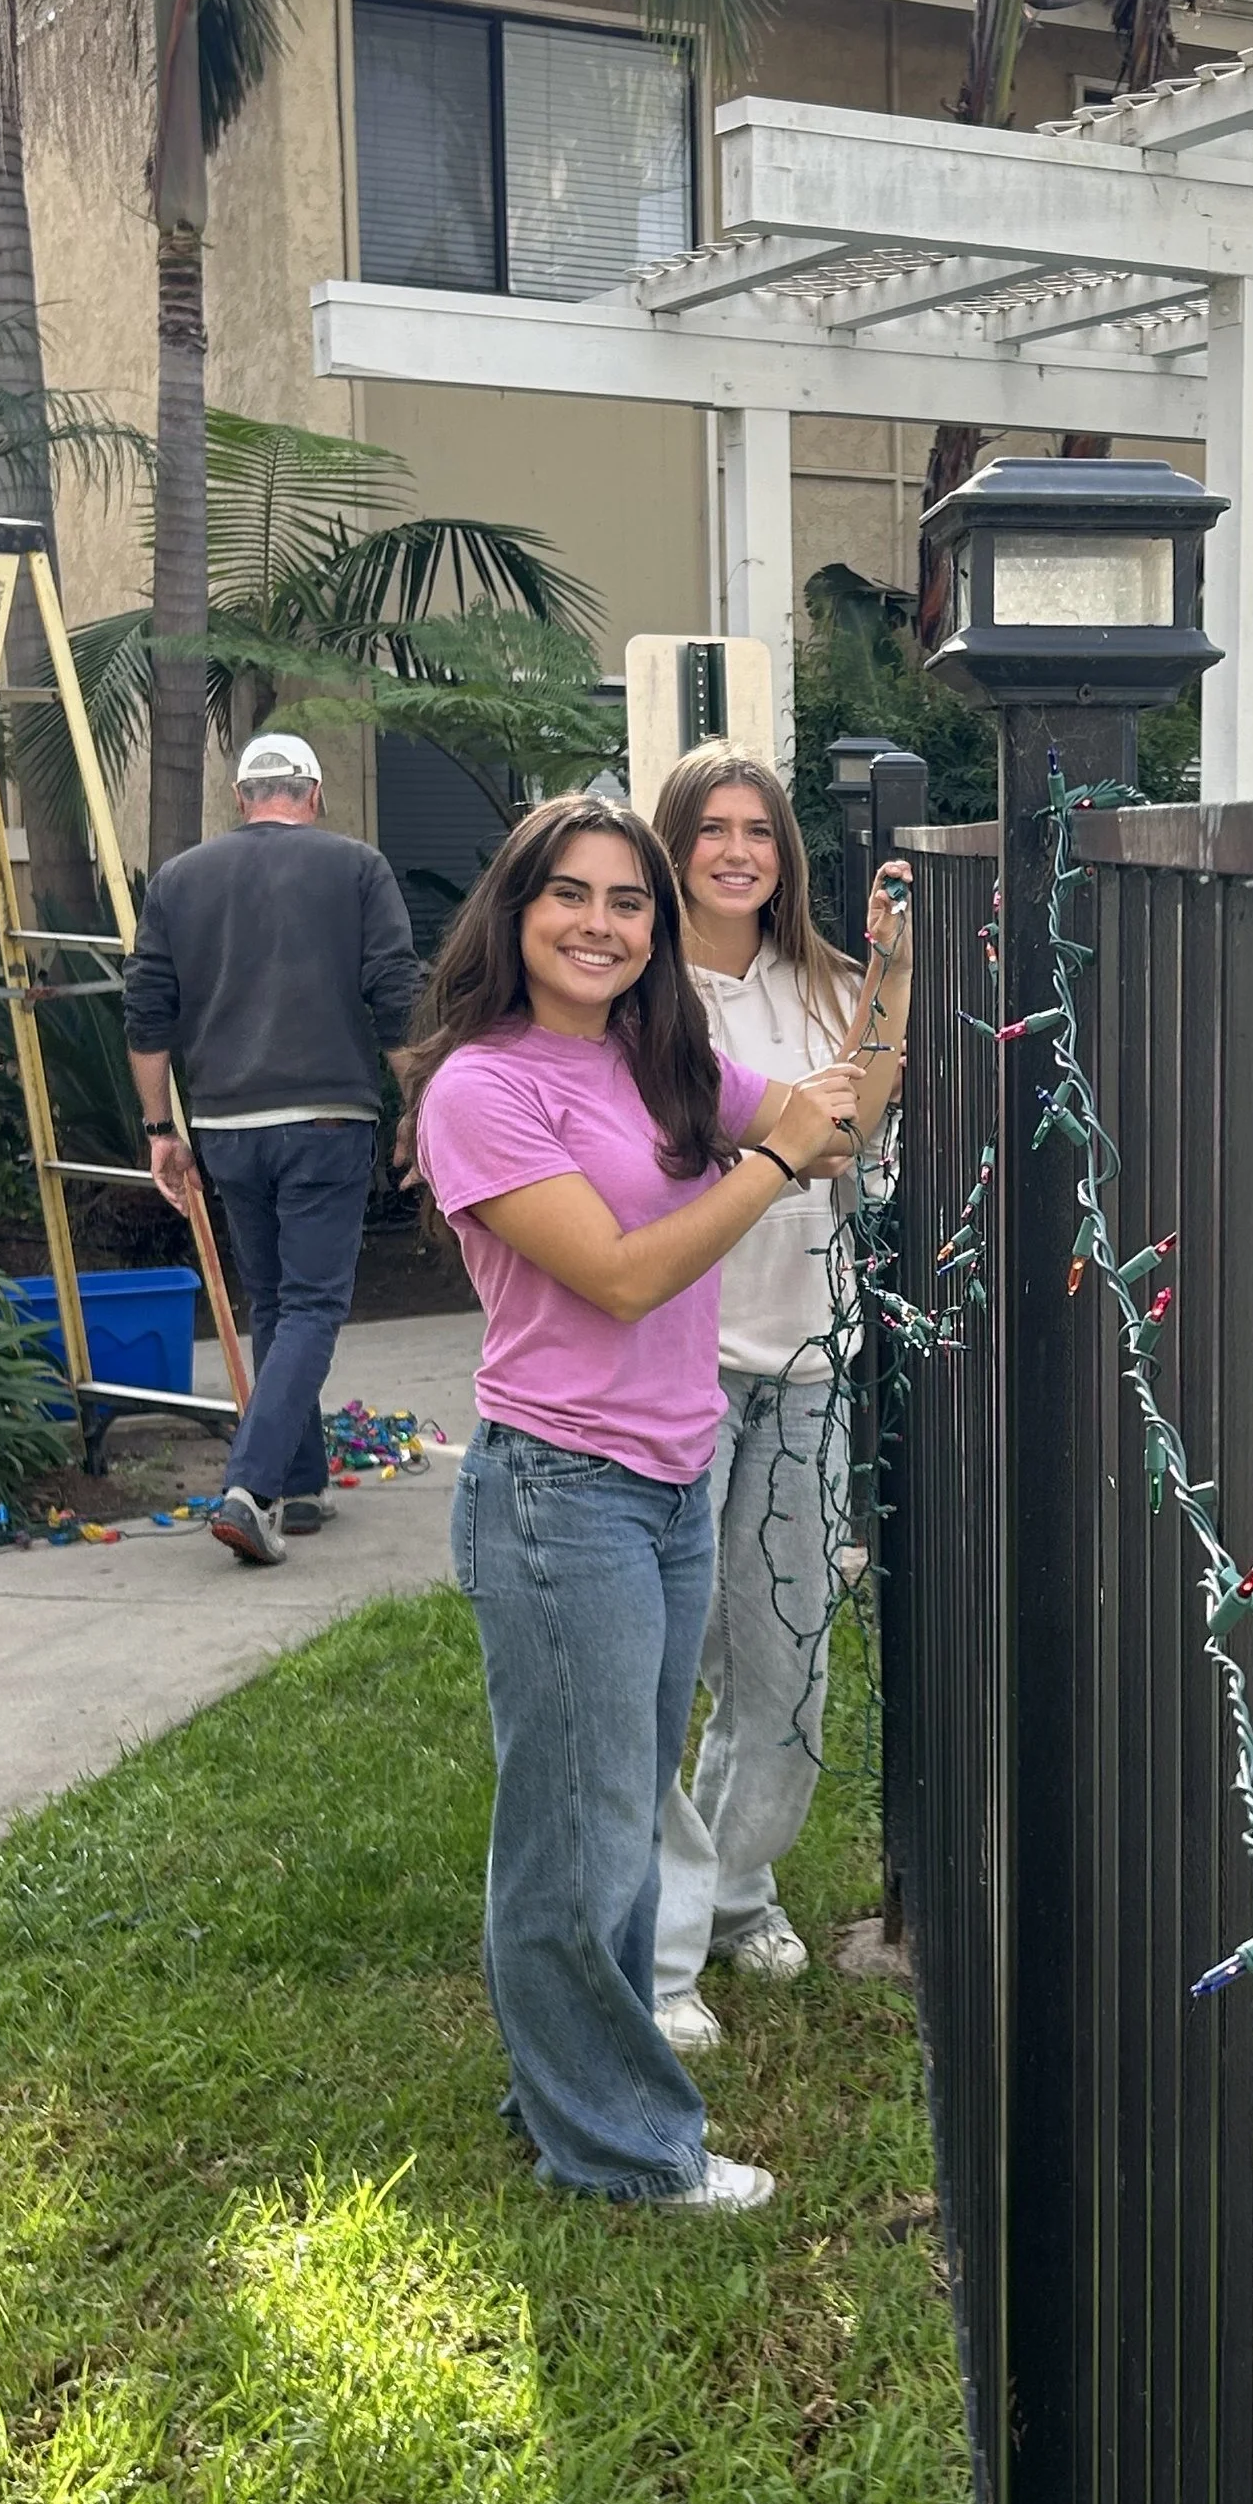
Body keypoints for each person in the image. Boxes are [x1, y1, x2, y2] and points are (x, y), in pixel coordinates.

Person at [400, 794, 863, 2211]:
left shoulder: (656, 1061)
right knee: (579, 1832)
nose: (601, 925)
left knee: (607, 1821)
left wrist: (855, 1037)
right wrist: (770, 1162)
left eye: (629, 902)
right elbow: (619, 1273)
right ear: (515, 911)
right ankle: (623, 2146)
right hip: (562, 1495)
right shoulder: (482, 1085)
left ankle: (565, 2086)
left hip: (670, 1481)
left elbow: (825, 1124)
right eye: (570, 897)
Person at [646, 751, 913, 2051]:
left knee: (786, 1676)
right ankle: (668, 1927)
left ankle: (734, 1888)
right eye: (713, 829)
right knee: (668, 1666)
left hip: (807, 1364)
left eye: (759, 830)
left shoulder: (818, 982)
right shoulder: (638, 993)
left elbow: (862, 1136)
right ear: (676, 844)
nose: (738, 851)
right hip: (676, 1370)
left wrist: (894, 986)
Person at [125, 729, 422, 1568]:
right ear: (316, 795)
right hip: (328, 1116)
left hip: (224, 1126)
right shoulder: (358, 867)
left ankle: (301, 1486)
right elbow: (395, 998)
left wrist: (160, 1131)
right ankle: (251, 1489)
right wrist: (417, 1110)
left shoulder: (180, 879)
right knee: (314, 1306)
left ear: (240, 798)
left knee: (274, 1305)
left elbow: (147, 1014)